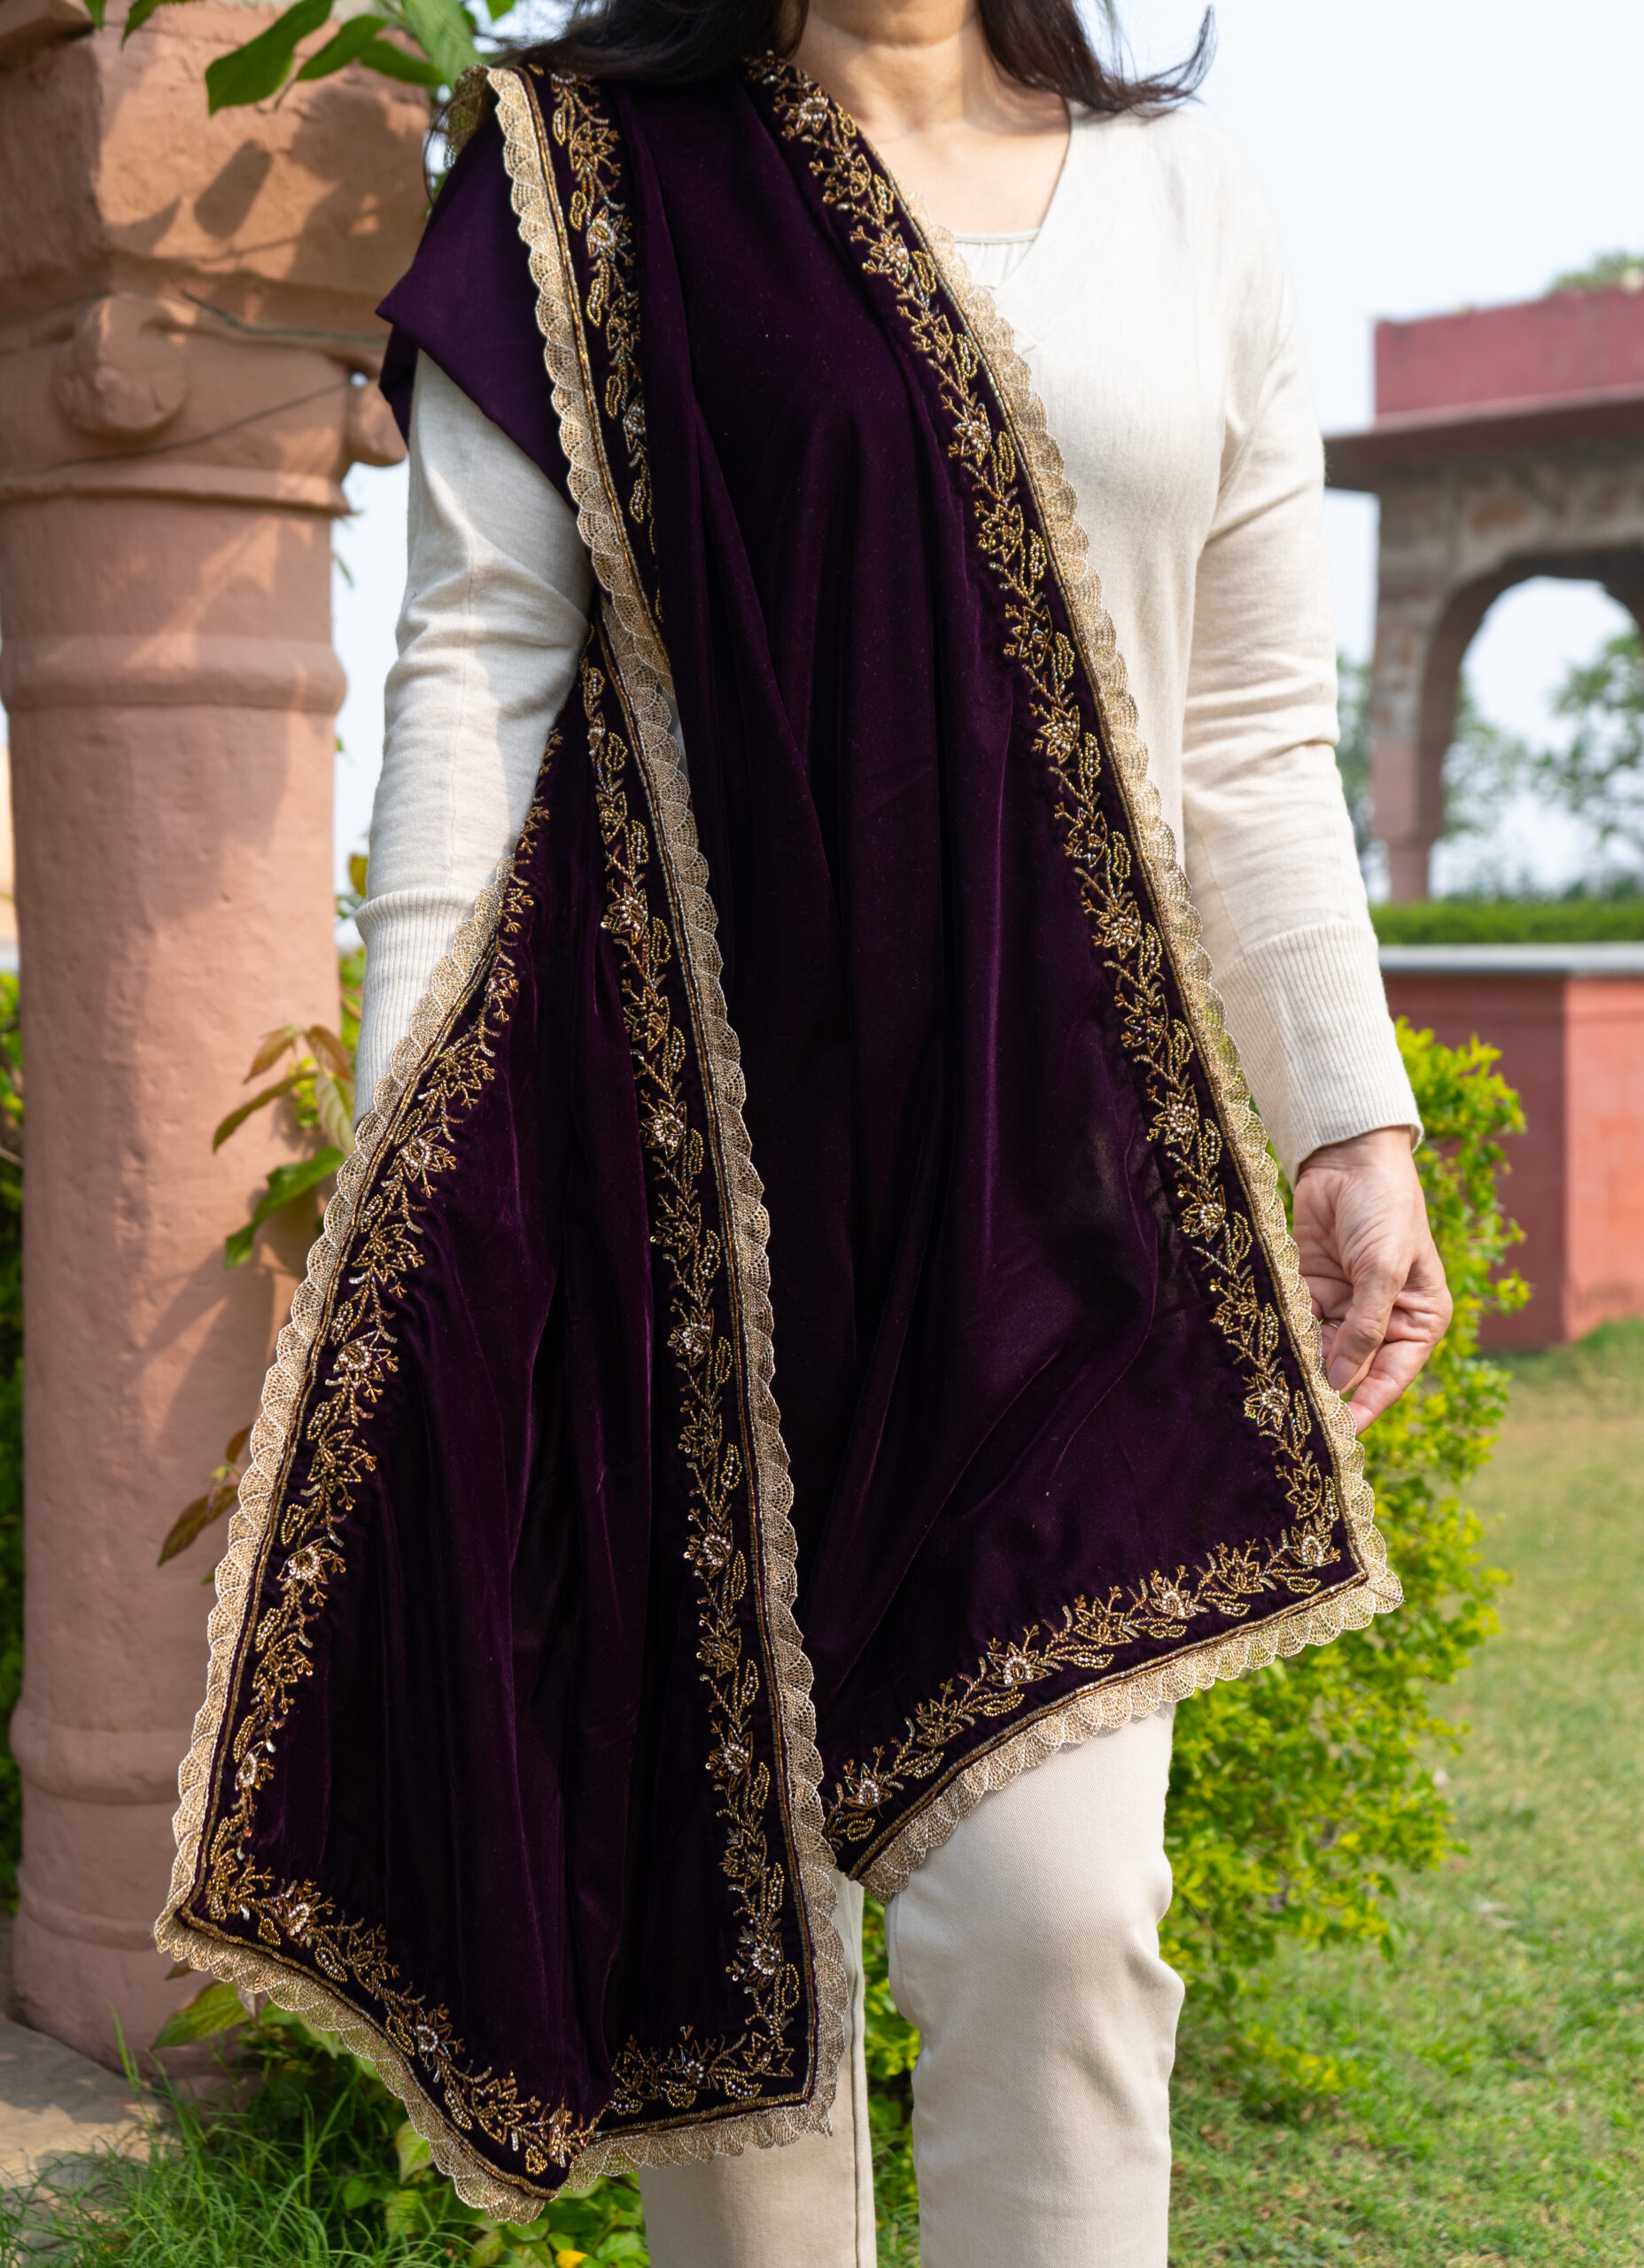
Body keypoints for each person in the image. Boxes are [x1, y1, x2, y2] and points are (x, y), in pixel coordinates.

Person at [159, 4, 1452, 2263]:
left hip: (1059, 1207)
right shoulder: (596, 174)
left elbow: (1252, 731)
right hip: (672, 1171)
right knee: (725, 1963)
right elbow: (478, 668)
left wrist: (1350, 1116)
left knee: (1060, 1926)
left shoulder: (1187, 201)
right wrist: (418, 1203)